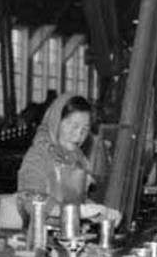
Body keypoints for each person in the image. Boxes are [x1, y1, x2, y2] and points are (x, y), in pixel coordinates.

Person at [16, 93, 120, 225]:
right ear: (56, 122)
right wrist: (78, 211)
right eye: (74, 126)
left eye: (85, 129)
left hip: (70, 233)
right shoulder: (38, 156)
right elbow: (31, 201)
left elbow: (77, 201)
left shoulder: (77, 159)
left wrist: (100, 213)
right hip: (39, 234)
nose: (78, 136)